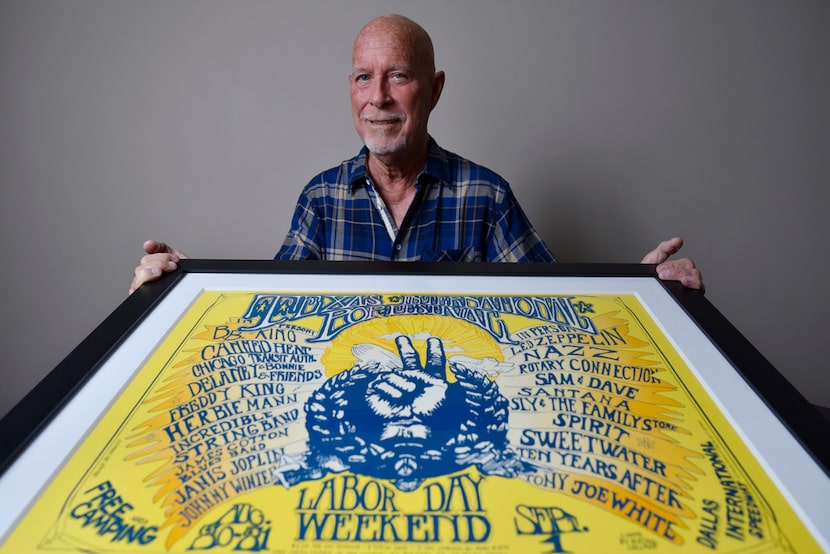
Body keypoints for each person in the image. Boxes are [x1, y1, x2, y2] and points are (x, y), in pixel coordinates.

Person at [130, 14, 702, 294]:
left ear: (435, 88)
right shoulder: (321, 200)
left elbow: (558, 312)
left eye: (398, 76)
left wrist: (644, 290)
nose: (377, 97)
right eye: (362, 78)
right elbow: (265, 319)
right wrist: (174, 287)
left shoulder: (486, 197)